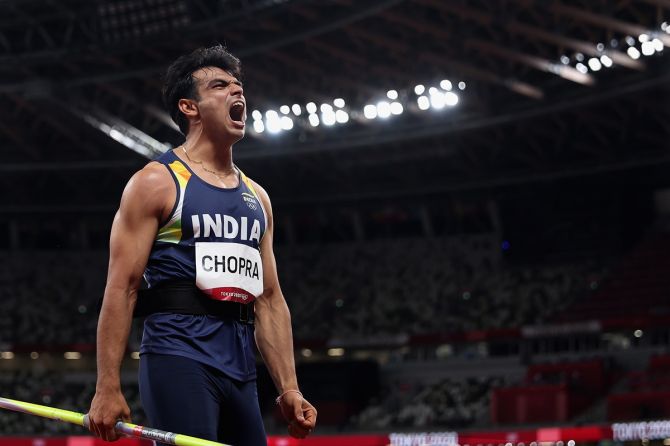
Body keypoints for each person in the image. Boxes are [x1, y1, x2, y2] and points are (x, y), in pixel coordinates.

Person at [87, 45, 317, 445]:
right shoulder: (156, 182)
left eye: (238, 85)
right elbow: (121, 287)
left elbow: (269, 299)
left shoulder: (257, 197)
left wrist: (289, 387)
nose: (236, 92)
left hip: (242, 367)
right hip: (178, 356)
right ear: (189, 107)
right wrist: (107, 385)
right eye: (220, 85)